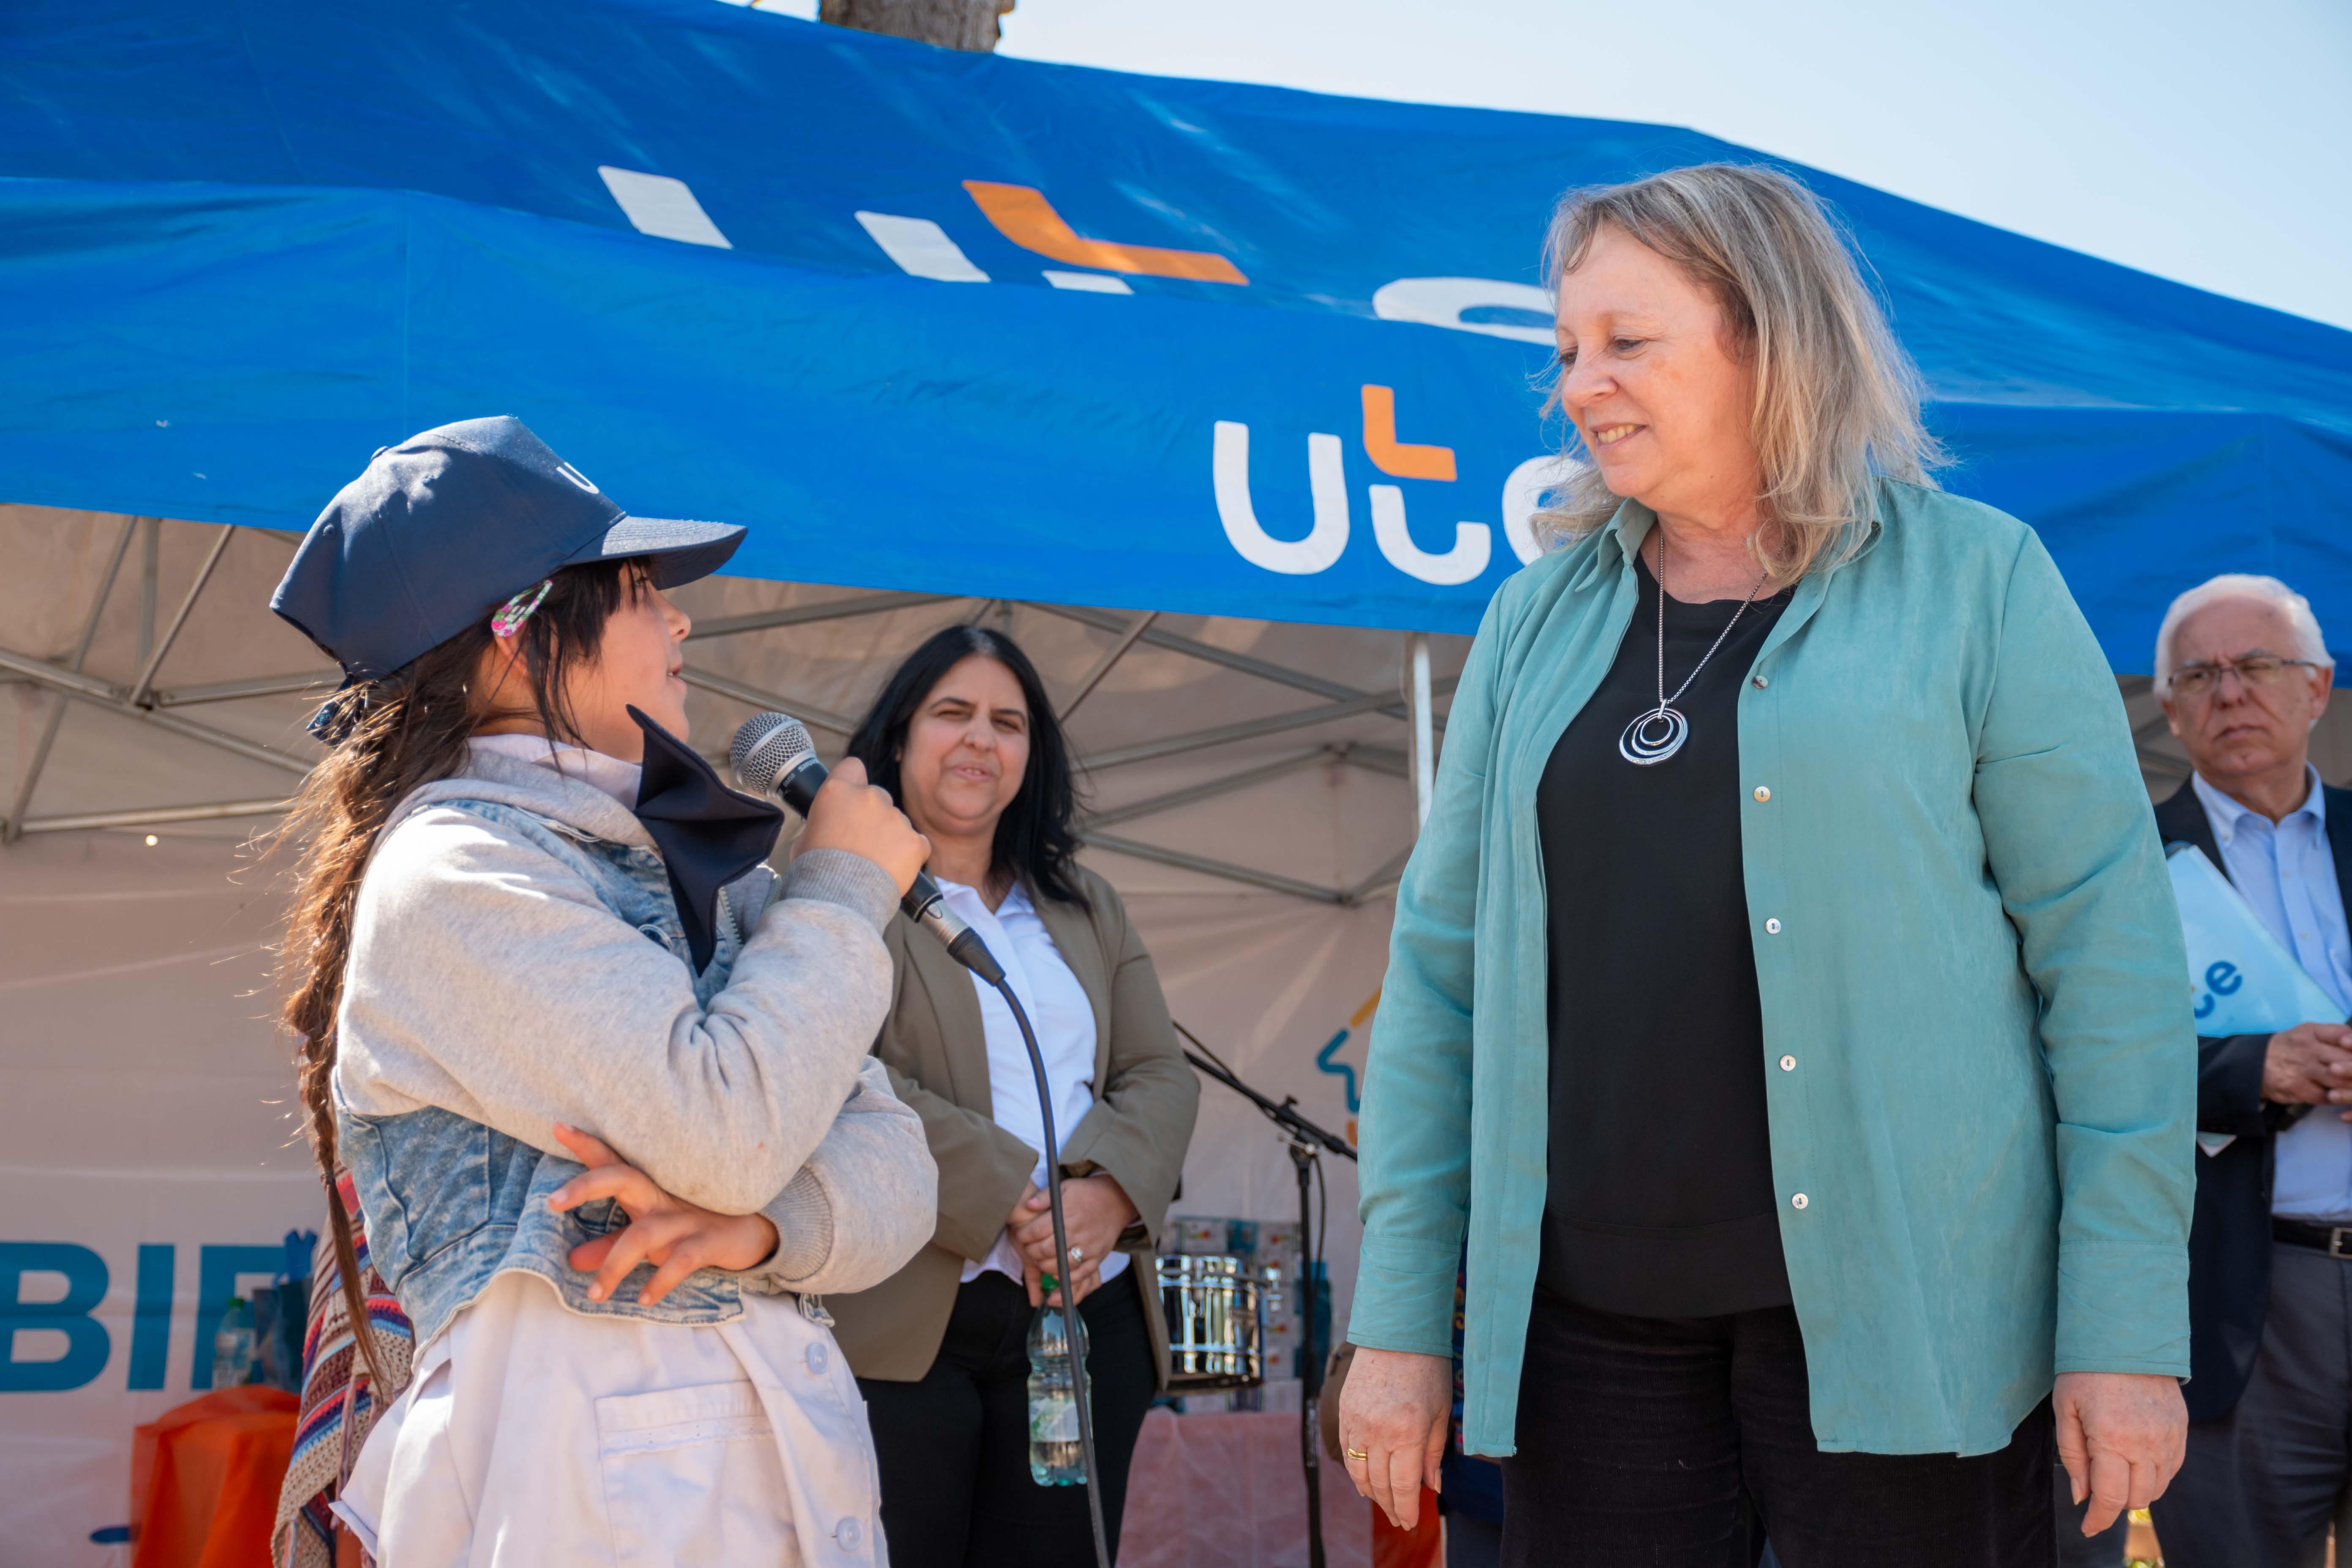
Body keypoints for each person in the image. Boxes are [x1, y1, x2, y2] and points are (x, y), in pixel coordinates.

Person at [1336, 164, 2196, 1568]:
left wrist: (2117, 1330)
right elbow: (1438, 991)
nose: (1577, 385)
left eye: (1624, 341)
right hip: (1590, 1340)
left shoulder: (1977, 583)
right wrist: (1394, 1321)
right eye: (1564, 350)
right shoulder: (1527, 625)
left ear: (1765, 335)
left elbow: (2109, 981)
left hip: (1913, 1324)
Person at [267, 416, 938, 1566]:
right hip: (573, 1484)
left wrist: (763, 1226)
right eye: (637, 590)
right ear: (518, 633)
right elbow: (724, 1125)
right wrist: (837, 891)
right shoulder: (454, 874)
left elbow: (901, 1167)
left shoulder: (705, 877)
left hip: (757, 1469)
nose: (679, 619)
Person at [826, 624, 1200, 1566]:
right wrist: (1012, 1196)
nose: (980, 740)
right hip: (907, 1322)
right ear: (901, 737)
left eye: (1008, 722)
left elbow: (1159, 1072)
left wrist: (1105, 1196)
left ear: (1033, 756)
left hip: (1084, 1323)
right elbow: (839, 1073)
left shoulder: (1084, 904)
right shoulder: (838, 892)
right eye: (953, 713)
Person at [2143, 574, 2352, 1567]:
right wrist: (2249, 1067)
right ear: (2172, 709)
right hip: (2242, 1300)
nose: (2231, 693)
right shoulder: (2125, 870)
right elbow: (2061, 1068)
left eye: (2258, 666)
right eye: (2201, 675)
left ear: (2317, 687)